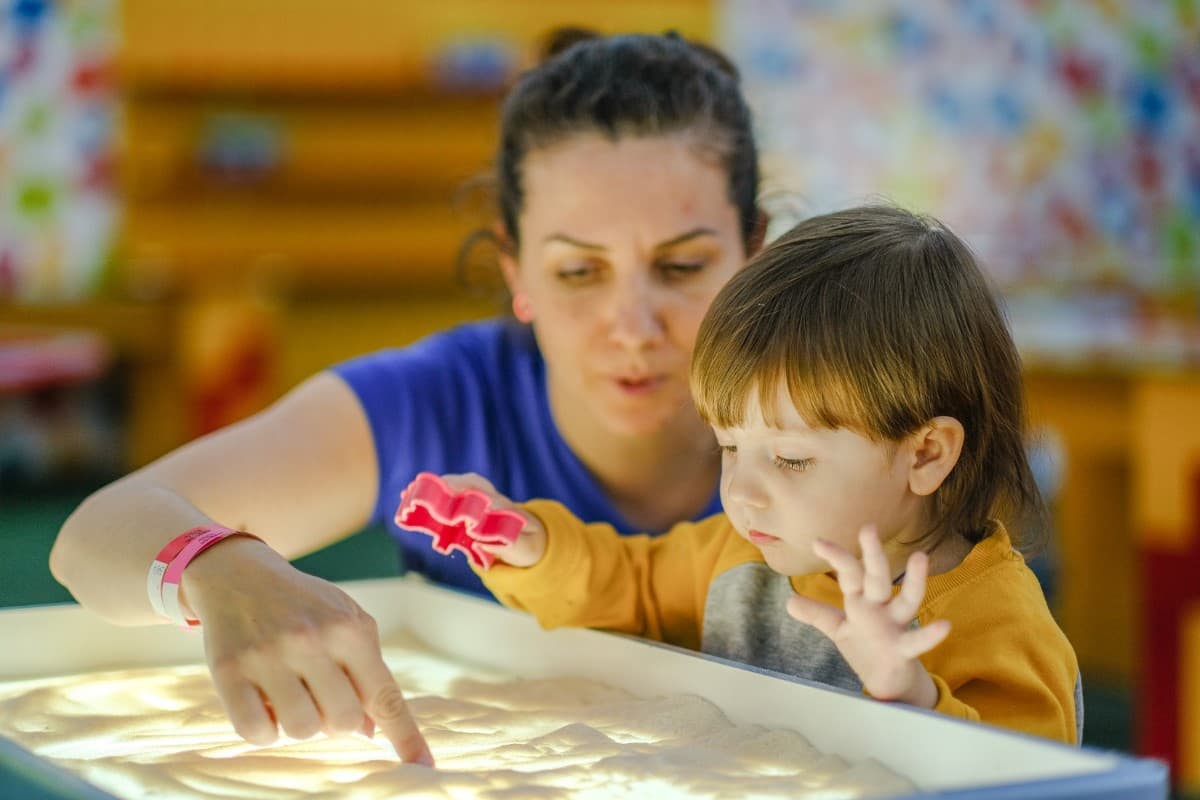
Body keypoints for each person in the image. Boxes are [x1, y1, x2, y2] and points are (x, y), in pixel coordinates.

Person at [49, 30, 763, 766]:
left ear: (757, 253)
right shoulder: (439, 401)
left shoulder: (836, 408)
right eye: (579, 272)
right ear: (515, 270)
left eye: (682, 265)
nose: (634, 327)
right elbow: (95, 536)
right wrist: (218, 566)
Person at [437, 205, 1083, 745]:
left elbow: (1031, 783)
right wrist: (529, 545)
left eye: (790, 458)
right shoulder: (737, 554)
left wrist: (907, 694)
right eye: (728, 447)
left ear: (925, 455)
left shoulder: (999, 625)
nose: (741, 492)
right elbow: (625, 586)